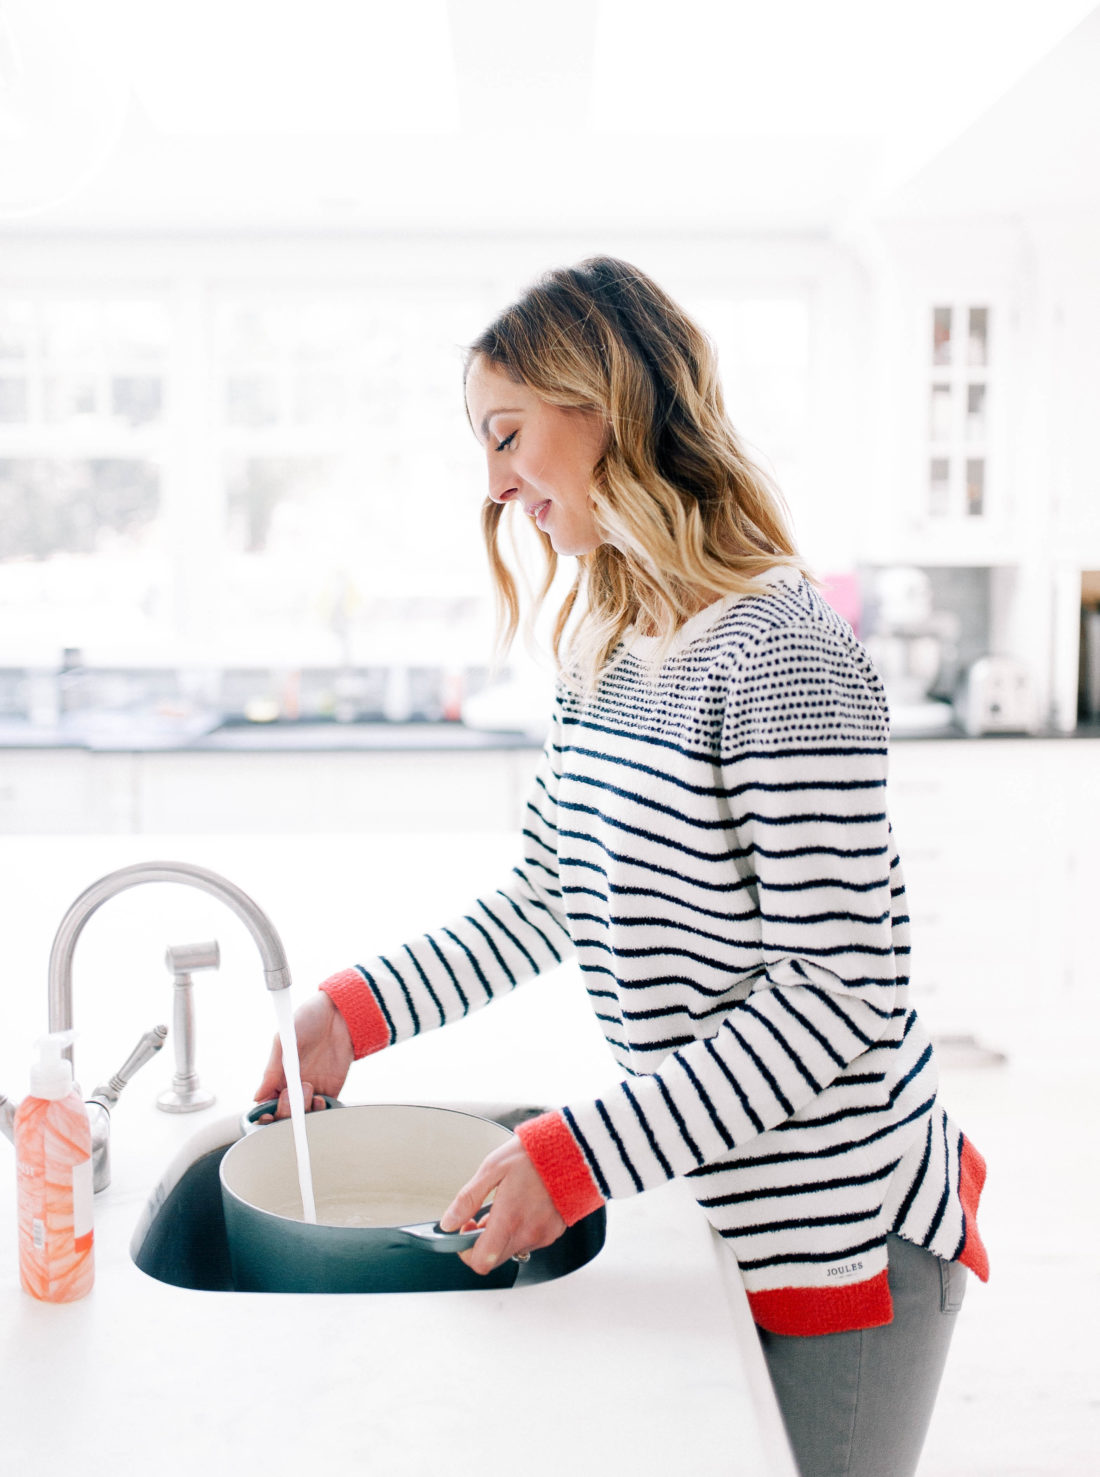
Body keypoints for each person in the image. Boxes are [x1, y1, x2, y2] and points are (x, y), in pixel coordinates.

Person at [257, 256, 988, 1477]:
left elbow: (838, 993)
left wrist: (582, 1150)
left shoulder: (782, 659)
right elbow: (550, 893)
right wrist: (352, 1011)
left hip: (831, 1232)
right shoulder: (610, 633)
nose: (492, 485)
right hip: (705, 1188)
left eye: (507, 435)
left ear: (604, 406)